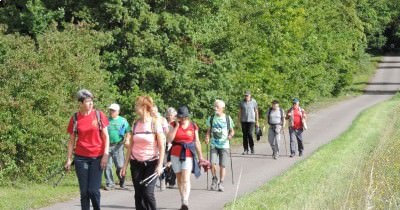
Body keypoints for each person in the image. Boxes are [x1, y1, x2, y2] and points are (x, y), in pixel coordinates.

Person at [65, 89, 110, 210]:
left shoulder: (99, 115)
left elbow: (106, 136)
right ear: (80, 103)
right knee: (84, 192)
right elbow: (71, 141)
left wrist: (106, 155)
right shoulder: (75, 118)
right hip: (80, 158)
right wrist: (69, 159)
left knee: (93, 191)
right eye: (87, 101)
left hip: (97, 157)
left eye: (91, 101)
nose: (90, 104)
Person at [120, 96, 165, 210]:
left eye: (137, 105)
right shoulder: (135, 123)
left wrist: (160, 165)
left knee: (148, 193)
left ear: (144, 107)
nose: (135, 108)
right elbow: (131, 146)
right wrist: (124, 166)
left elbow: (161, 146)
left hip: (151, 162)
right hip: (136, 163)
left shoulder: (155, 123)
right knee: (138, 195)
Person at [167, 106, 204, 210]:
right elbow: (169, 139)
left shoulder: (193, 126)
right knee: (179, 179)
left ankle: (185, 202)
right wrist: (176, 127)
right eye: (180, 117)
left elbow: (196, 141)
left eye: (183, 117)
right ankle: (182, 198)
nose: (181, 119)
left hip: (188, 154)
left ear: (187, 117)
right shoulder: (173, 125)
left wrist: (200, 156)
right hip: (175, 154)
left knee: (185, 178)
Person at [205, 100, 234, 192]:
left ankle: (221, 183)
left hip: (224, 145)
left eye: (217, 107)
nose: (215, 108)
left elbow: (232, 131)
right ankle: (214, 178)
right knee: (212, 163)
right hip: (214, 144)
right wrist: (207, 137)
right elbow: (208, 131)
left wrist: (230, 135)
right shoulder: (211, 118)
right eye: (215, 106)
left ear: (222, 108)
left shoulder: (227, 118)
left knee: (222, 165)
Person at [104, 103, 131, 190]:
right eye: (111, 110)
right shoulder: (106, 120)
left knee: (120, 165)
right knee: (107, 165)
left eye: (113, 110)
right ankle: (109, 183)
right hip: (107, 145)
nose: (111, 112)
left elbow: (128, 131)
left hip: (118, 145)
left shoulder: (123, 121)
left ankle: (121, 180)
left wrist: (127, 139)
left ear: (118, 112)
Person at [150, 105, 169, 191]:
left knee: (161, 162)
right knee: (152, 162)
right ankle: (152, 182)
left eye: (154, 110)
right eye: (151, 111)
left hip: (161, 143)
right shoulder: (148, 119)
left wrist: (169, 142)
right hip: (151, 144)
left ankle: (162, 179)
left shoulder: (162, 119)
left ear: (157, 111)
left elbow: (167, 132)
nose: (153, 112)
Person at [238, 90, 259, 155]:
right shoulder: (242, 102)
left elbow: (256, 111)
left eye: (247, 95)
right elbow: (240, 112)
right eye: (245, 95)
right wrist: (238, 121)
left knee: (249, 134)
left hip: (251, 120)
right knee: (244, 135)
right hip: (243, 121)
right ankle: (245, 149)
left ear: (250, 95)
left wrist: (257, 121)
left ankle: (252, 147)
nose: (246, 96)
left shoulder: (254, 101)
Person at [163, 107, 178, 188]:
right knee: (164, 162)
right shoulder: (164, 123)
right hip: (165, 144)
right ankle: (165, 179)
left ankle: (172, 180)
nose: (169, 116)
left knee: (173, 162)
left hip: (174, 144)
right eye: (168, 115)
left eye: (171, 115)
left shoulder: (176, 124)